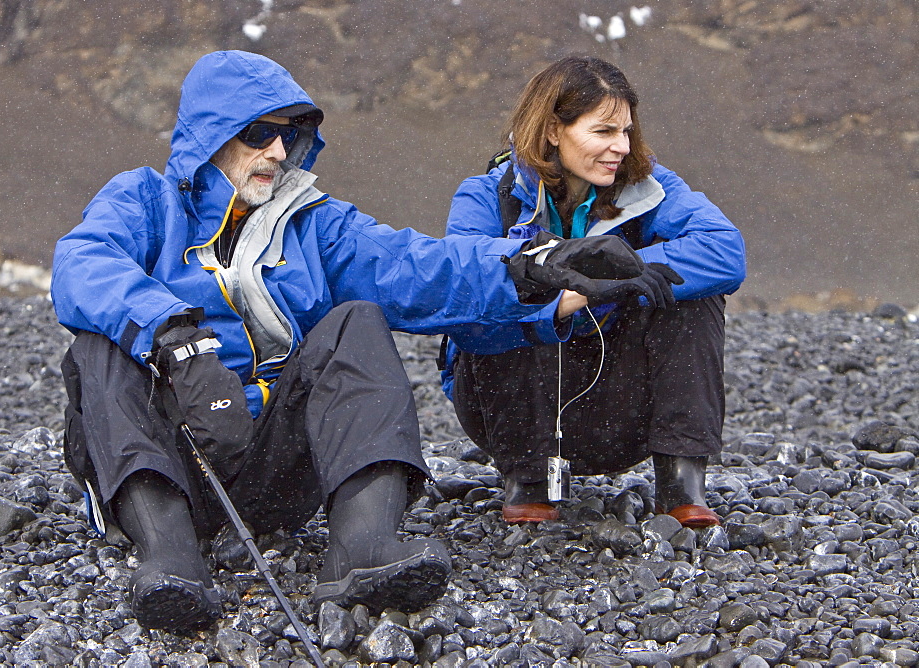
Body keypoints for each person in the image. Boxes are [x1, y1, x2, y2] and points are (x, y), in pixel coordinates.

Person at [50, 50, 644, 633]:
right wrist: (177, 338)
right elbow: (81, 264)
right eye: (259, 133)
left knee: (357, 321)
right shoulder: (143, 201)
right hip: (169, 455)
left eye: (289, 135)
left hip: (269, 469)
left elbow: (414, 266)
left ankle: (364, 544)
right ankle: (168, 555)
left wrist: (532, 266)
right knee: (95, 349)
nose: (277, 152)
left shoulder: (313, 221)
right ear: (212, 135)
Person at [440, 56, 746, 528]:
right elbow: (465, 282)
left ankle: (683, 485)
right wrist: (569, 277)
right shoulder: (484, 196)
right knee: (503, 293)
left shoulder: (651, 188)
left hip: (619, 409)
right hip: (505, 410)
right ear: (552, 131)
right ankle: (528, 480)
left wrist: (622, 274)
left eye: (625, 131)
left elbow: (726, 252)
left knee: (690, 294)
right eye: (604, 132)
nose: (621, 147)